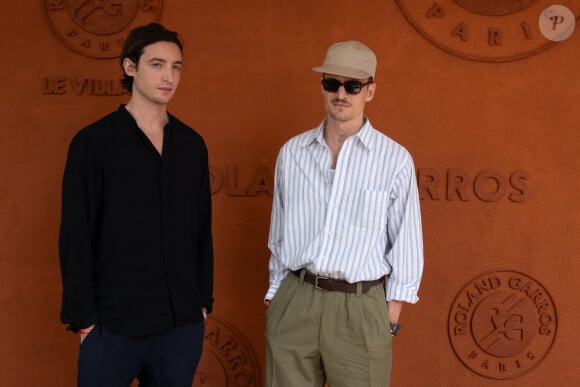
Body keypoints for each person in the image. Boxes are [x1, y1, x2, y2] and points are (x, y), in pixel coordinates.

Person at [58, 23, 214, 387]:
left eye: (176, 67)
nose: (169, 76)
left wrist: (201, 304)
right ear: (130, 67)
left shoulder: (192, 146)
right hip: (112, 329)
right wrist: (83, 320)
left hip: (180, 327)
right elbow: (76, 235)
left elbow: (201, 229)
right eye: (157, 64)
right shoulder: (93, 144)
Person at [264, 40, 424, 387]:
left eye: (353, 86)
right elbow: (279, 230)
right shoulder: (293, 153)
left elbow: (406, 241)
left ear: (370, 90)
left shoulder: (394, 160)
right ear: (322, 87)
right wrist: (277, 293)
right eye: (331, 84)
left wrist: (390, 313)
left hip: (360, 305)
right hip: (297, 297)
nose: (341, 93)